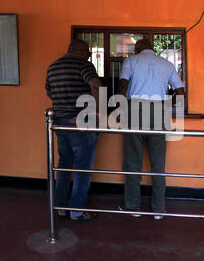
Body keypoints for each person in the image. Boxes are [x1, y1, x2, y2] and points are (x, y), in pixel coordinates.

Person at [118, 39, 185, 219]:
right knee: (158, 162)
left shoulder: (131, 61)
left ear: (137, 49)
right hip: (159, 111)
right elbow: (180, 91)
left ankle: (132, 206)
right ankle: (158, 209)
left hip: (135, 110)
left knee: (133, 161)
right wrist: (167, 106)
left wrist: (119, 108)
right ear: (152, 49)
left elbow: (123, 84)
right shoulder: (167, 64)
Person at [45, 39, 102, 222]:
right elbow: (96, 85)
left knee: (64, 164)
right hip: (80, 123)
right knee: (82, 167)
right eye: (88, 53)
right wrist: (98, 112)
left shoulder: (53, 67)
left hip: (60, 123)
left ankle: (61, 207)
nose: (89, 56)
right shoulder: (83, 65)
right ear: (81, 51)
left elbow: (49, 92)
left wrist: (63, 104)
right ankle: (77, 211)